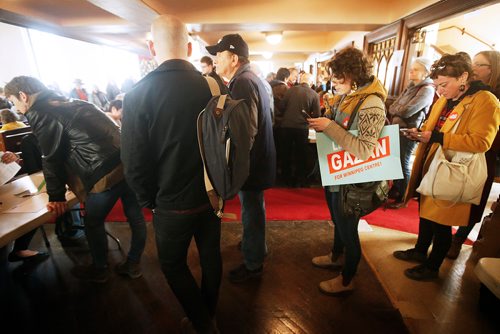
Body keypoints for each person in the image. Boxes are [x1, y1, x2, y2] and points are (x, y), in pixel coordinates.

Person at [121, 15, 220, 333]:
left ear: (151, 48)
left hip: (170, 199)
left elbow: (134, 161)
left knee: (172, 265)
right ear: (190, 47)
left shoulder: (138, 94)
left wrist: (148, 199)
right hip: (211, 193)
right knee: (210, 257)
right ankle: (208, 313)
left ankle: (204, 324)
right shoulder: (213, 85)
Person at [4, 76, 147, 283]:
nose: (16, 107)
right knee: (135, 216)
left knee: (93, 222)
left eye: (14, 101)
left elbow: (51, 157)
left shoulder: (39, 111)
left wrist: (56, 196)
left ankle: (100, 270)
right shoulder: (74, 102)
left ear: (23, 96)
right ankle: (133, 264)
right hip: (126, 162)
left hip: (104, 173)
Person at [392, 54, 500, 281]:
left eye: (444, 85)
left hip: (453, 168)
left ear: (463, 76)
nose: (440, 91)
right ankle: (420, 251)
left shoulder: (485, 100)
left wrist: (437, 137)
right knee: (426, 213)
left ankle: (432, 267)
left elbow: (481, 142)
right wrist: (420, 134)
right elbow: (435, 128)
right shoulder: (445, 99)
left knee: (441, 221)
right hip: (430, 162)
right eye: (437, 85)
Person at [307, 47, 387, 295]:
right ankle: (336, 256)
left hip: (354, 178)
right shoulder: (347, 97)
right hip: (338, 173)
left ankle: (347, 278)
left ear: (353, 74)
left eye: (337, 76)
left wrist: (329, 126)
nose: (332, 82)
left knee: (348, 228)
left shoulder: (372, 103)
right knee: (338, 222)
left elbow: (364, 150)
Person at [206, 34, 276, 283]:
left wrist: (235, 165)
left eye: (219, 55)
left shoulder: (242, 83)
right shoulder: (253, 78)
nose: (216, 60)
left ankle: (253, 261)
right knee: (255, 208)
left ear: (233, 58)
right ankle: (256, 246)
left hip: (252, 164)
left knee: (252, 210)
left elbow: (247, 131)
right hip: (260, 159)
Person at [447, 50, 500, 259]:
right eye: (473, 63)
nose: (473, 68)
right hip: (462, 146)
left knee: (474, 199)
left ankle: (459, 239)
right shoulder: (472, 90)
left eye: (479, 65)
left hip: (486, 153)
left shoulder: (493, 96)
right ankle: (445, 235)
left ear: (492, 69)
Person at [387, 57, 435, 207]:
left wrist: (397, 110)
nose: (411, 71)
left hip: (409, 131)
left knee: (403, 162)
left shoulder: (426, 89)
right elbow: (392, 107)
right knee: (395, 161)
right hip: (397, 129)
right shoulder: (410, 87)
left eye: (416, 69)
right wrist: (397, 110)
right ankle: (396, 188)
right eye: (411, 68)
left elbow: (407, 110)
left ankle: (404, 196)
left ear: (425, 72)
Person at [1, 151, 49, 263]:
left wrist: (14, 158)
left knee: (33, 209)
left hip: (4, 191)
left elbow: (10, 164)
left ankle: (20, 249)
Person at [279, 72, 321, 187]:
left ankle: (285, 178)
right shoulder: (314, 94)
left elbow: (281, 107)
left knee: (286, 153)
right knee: (301, 154)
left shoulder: (290, 90)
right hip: (301, 128)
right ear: (311, 82)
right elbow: (317, 114)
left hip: (286, 125)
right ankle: (300, 179)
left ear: (300, 80)